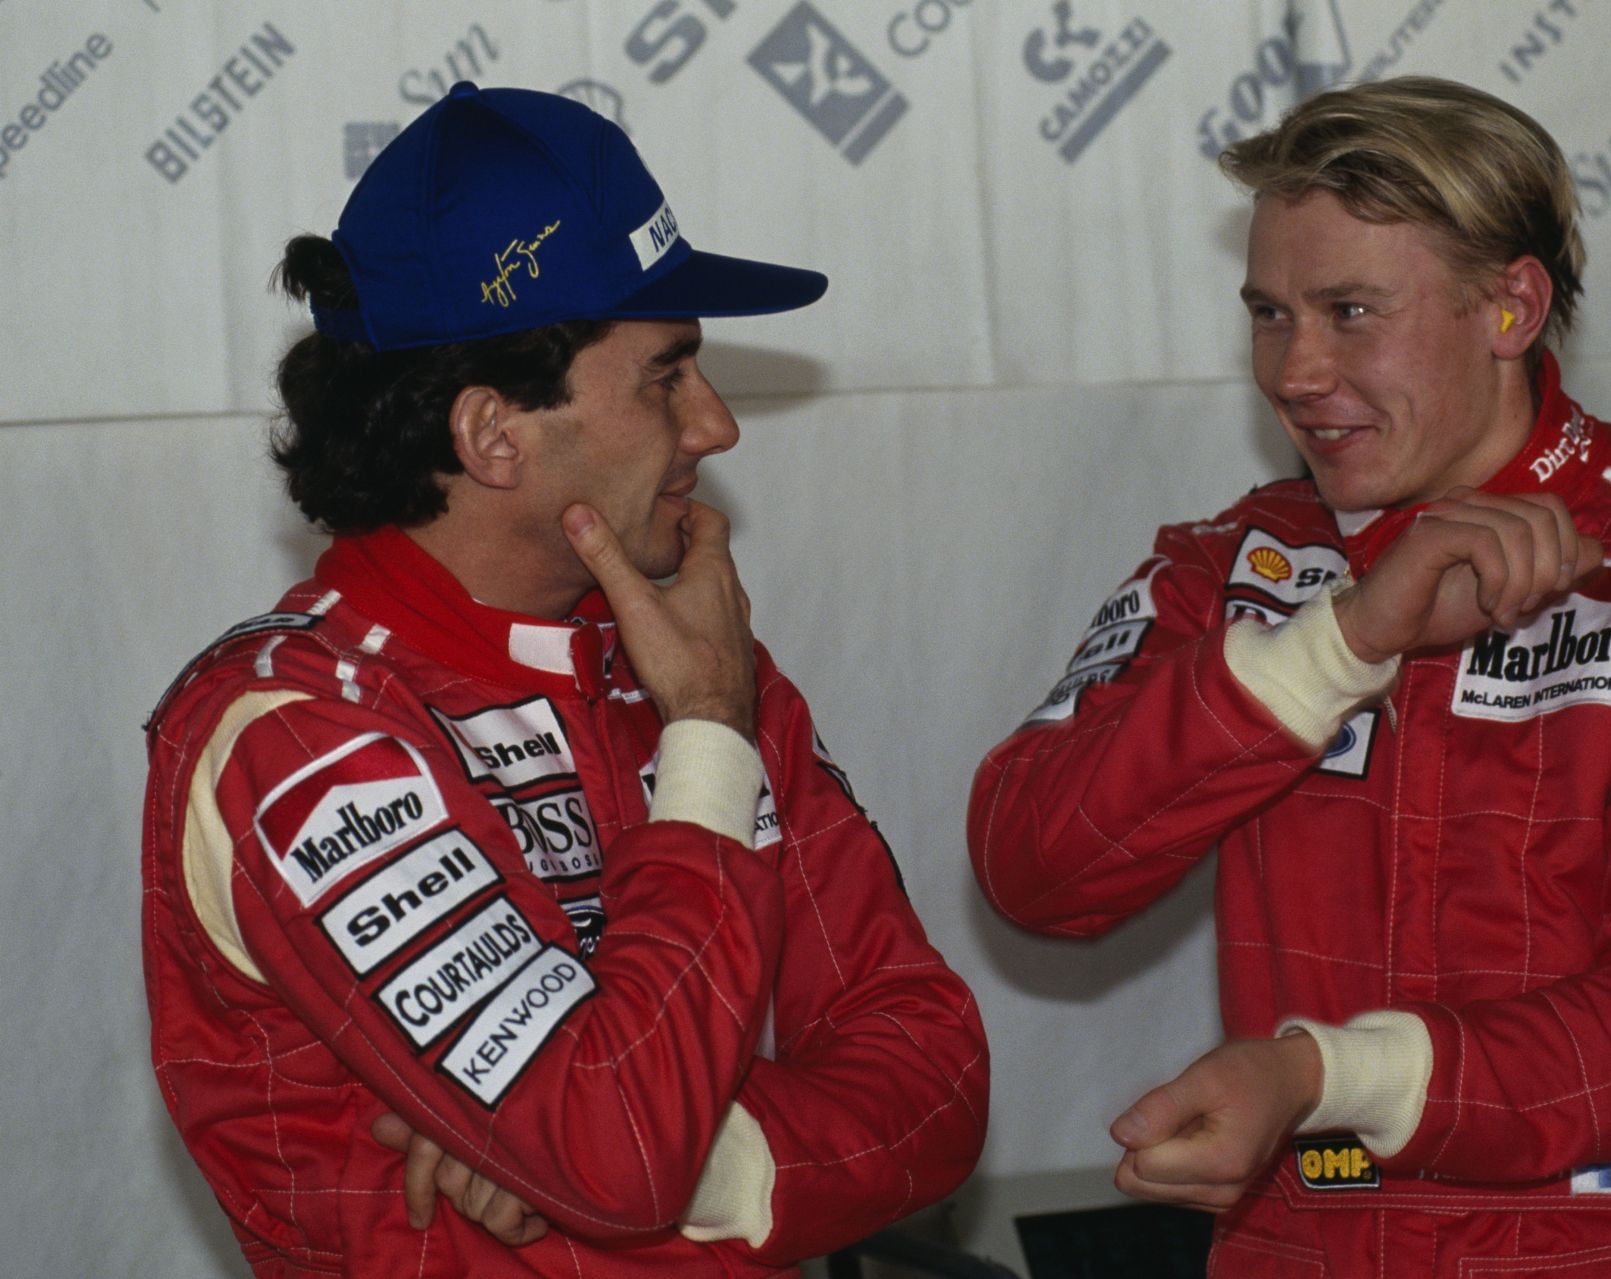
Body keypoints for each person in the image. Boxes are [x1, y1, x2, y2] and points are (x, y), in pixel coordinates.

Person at [968, 76, 1611, 1275]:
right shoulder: (1237, 565)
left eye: (1349, 311)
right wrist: (1337, 644)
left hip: (1585, 1242)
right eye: (1270, 314)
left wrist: (1322, 1075)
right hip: (1293, 1240)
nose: (1294, 370)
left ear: (1510, 307)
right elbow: (1034, 867)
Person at [143, 81, 987, 1277]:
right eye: (666, 375)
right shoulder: (295, 734)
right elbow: (619, 1147)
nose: (715, 425)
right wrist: (705, 733)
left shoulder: (690, 671)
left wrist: (712, 1160)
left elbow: (935, 1075)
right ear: (494, 433)